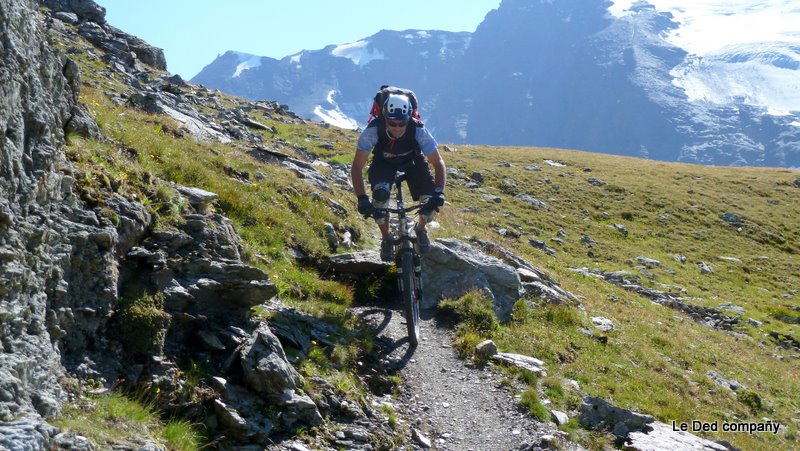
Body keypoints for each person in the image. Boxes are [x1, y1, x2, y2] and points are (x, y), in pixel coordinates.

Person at [351, 92, 446, 262]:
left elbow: (438, 163)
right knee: (379, 199)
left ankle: (420, 229)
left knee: (429, 200)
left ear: (409, 118)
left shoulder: (418, 130)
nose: (397, 128)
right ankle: (386, 238)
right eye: (392, 123)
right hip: (383, 162)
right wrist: (362, 198)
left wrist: (439, 192)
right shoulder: (373, 130)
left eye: (402, 123)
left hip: (412, 161)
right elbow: (357, 166)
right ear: (384, 118)